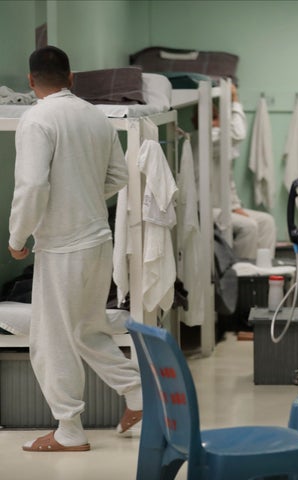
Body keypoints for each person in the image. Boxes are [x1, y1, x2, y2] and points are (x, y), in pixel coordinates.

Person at [8, 46, 142, 452]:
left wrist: (17, 237)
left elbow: (32, 186)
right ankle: (139, 393)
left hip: (63, 248)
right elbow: (119, 174)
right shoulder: (95, 116)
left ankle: (69, 430)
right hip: (98, 241)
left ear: (31, 81)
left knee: (50, 340)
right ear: (71, 77)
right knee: (87, 329)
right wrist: (82, 196)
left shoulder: (36, 119)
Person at [199, 84, 277, 261]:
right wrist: (234, 99)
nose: (217, 121)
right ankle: (241, 280)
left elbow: (227, 181)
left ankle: (262, 273)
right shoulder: (204, 140)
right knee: (249, 227)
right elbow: (237, 132)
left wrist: (235, 206)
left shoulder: (220, 146)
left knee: (267, 222)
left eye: (217, 116)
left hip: (223, 207)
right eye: (214, 117)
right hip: (203, 210)